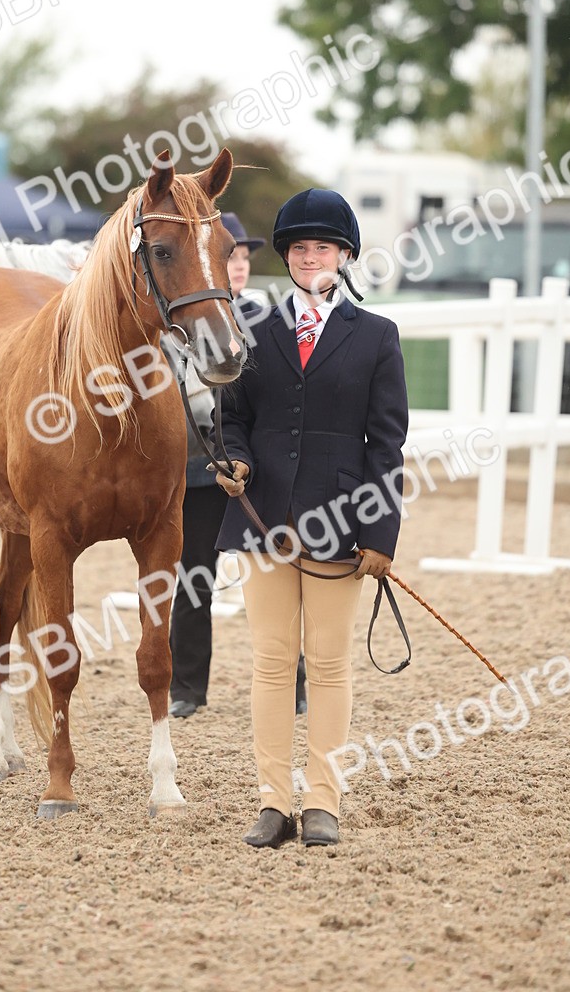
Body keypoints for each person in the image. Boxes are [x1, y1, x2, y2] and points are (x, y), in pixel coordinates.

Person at [212, 188, 408, 848]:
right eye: (298, 247)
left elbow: (386, 443)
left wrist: (381, 534)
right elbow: (232, 417)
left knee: (327, 666)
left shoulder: (377, 337)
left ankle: (323, 799)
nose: (308, 256)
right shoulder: (254, 328)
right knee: (270, 663)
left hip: (340, 523)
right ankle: (273, 801)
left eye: (321, 246)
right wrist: (234, 459)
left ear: (344, 255)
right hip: (264, 517)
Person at [168, 213, 271, 719]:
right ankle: (187, 686)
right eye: (228, 259)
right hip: (196, 467)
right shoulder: (176, 328)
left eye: (243, 258)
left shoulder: (265, 321)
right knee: (193, 580)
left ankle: (292, 682)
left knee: (276, 575)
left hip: (253, 467)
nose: (238, 268)